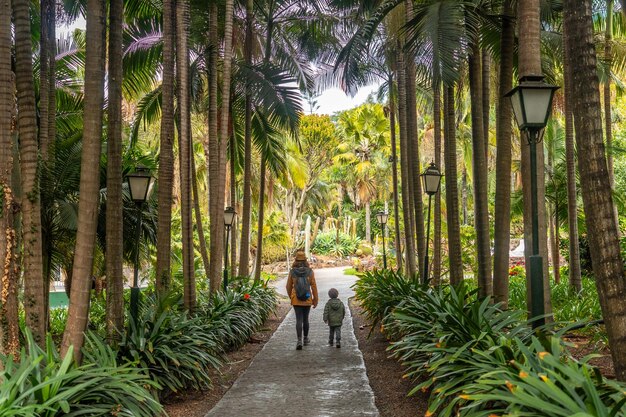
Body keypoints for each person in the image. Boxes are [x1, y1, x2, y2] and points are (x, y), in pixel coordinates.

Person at [286, 250, 318, 350]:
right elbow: (314, 286)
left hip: (296, 299)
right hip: (307, 298)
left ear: (296, 260)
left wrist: (291, 296)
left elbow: (288, 286)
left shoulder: (292, 272)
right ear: (305, 260)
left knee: (298, 320)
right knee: (306, 319)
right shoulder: (310, 272)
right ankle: (305, 338)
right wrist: (315, 299)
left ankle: (299, 340)